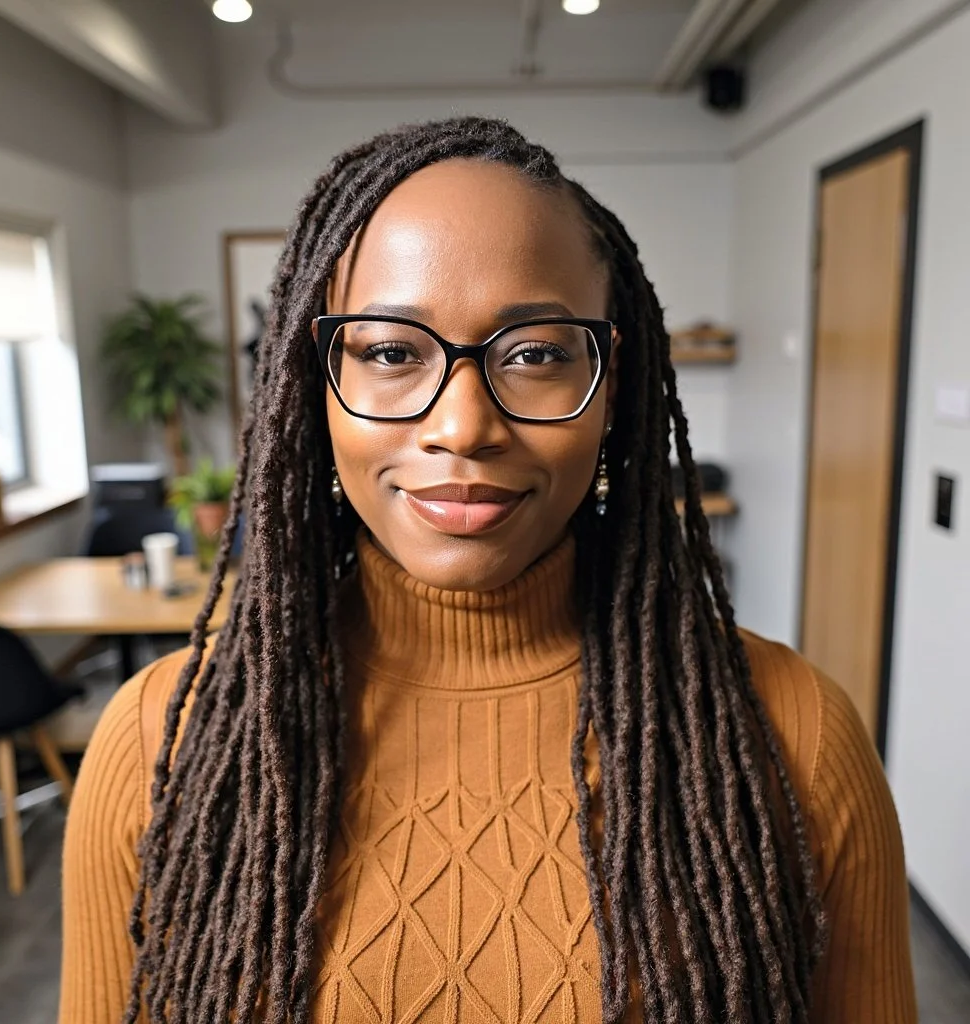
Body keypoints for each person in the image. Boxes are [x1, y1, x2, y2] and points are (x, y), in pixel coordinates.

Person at [59, 117, 916, 1024]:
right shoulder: (163, 739)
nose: (463, 426)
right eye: (390, 352)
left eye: (536, 354)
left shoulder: (796, 736)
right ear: (314, 383)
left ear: (609, 382)